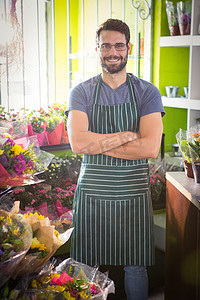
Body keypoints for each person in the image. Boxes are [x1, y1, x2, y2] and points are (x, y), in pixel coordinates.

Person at [66, 18, 165, 300]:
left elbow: (149, 148)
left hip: (132, 194)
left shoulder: (147, 92)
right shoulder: (81, 92)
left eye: (119, 45)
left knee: (136, 266)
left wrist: (94, 143)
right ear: (96, 48)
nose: (113, 52)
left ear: (128, 48)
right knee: (85, 267)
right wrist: (125, 135)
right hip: (92, 194)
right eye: (106, 45)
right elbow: (77, 143)